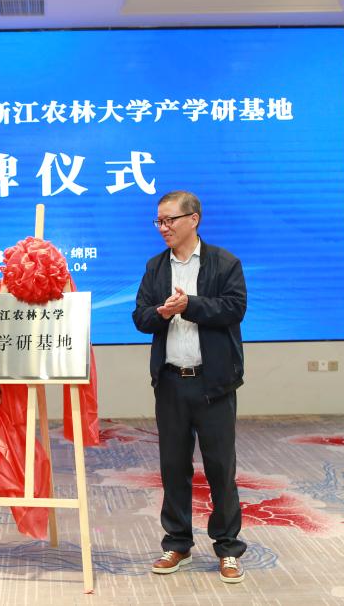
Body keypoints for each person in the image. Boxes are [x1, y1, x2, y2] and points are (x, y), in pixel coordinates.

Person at [132, 190, 248, 584]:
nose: (163, 228)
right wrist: (162, 313)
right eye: (159, 221)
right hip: (170, 382)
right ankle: (177, 542)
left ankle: (228, 547)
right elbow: (140, 317)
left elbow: (235, 308)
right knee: (173, 467)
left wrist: (190, 306)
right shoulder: (155, 267)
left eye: (170, 220)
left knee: (220, 467)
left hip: (213, 383)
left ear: (193, 219)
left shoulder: (224, 262)